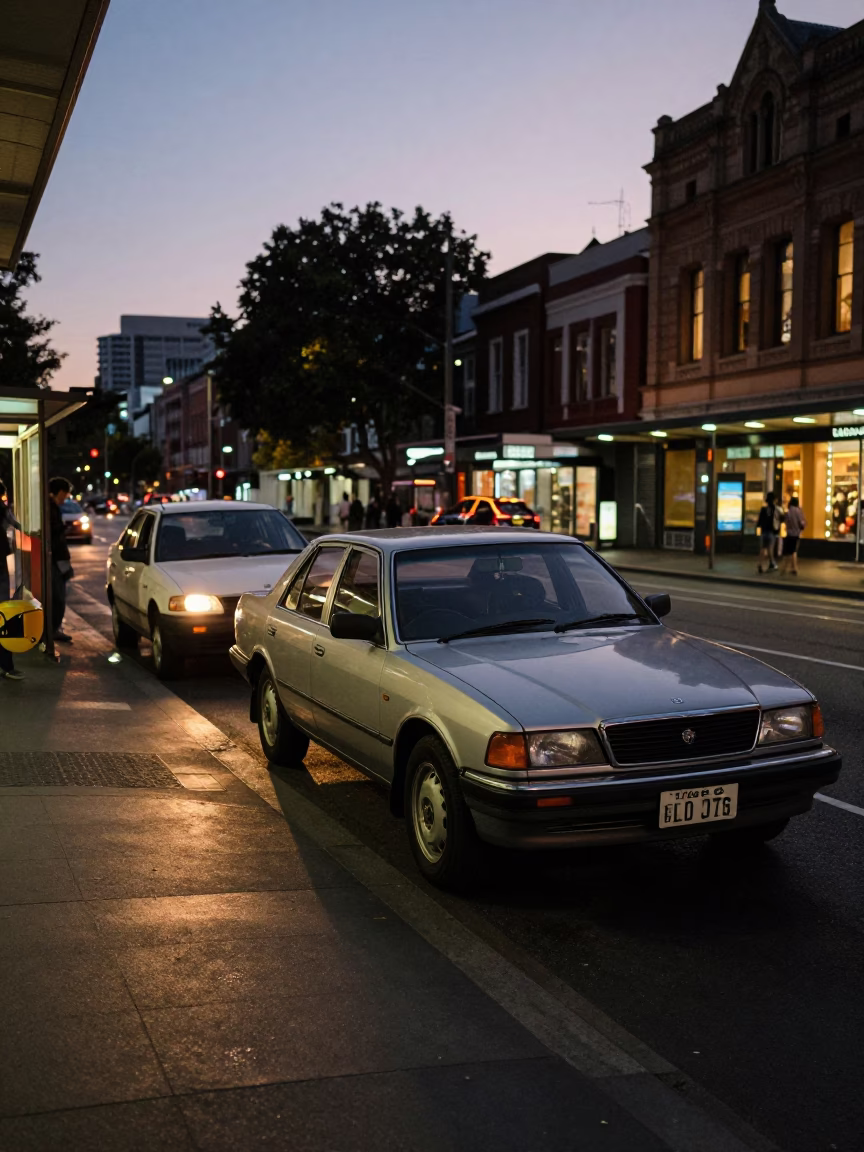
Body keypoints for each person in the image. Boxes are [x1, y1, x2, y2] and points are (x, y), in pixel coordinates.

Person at [0, 480, 24, 680]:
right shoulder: (1, 509)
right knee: (2, 616)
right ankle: (6, 666)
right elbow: (18, 524)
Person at [49, 477, 74, 643]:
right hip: (57, 558)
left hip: (57, 558)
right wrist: (63, 528)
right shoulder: (51, 508)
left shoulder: (51, 506)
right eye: (65, 494)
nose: (65, 498)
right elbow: (53, 531)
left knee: (59, 594)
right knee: (59, 596)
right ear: (59, 492)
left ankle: (53, 629)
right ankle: (53, 629)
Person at [756, 492, 782, 573]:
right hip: (772, 531)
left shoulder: (763, 509)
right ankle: (772, 563)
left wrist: (759, 527)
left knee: (763, 548)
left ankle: (760, 563)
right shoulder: (777, 509)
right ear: (774, 500)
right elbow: (782, 518)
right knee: (770, 548)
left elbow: (759, 521)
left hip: (764, 531)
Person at [779, 496, 806, 576]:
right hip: (796, 533)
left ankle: (785, 569)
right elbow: (802, 523)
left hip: (789, 533)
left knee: (788, 551)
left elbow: (785, 521)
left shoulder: (788, 511)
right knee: (793, 550)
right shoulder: (799, 511)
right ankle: (794, 568)